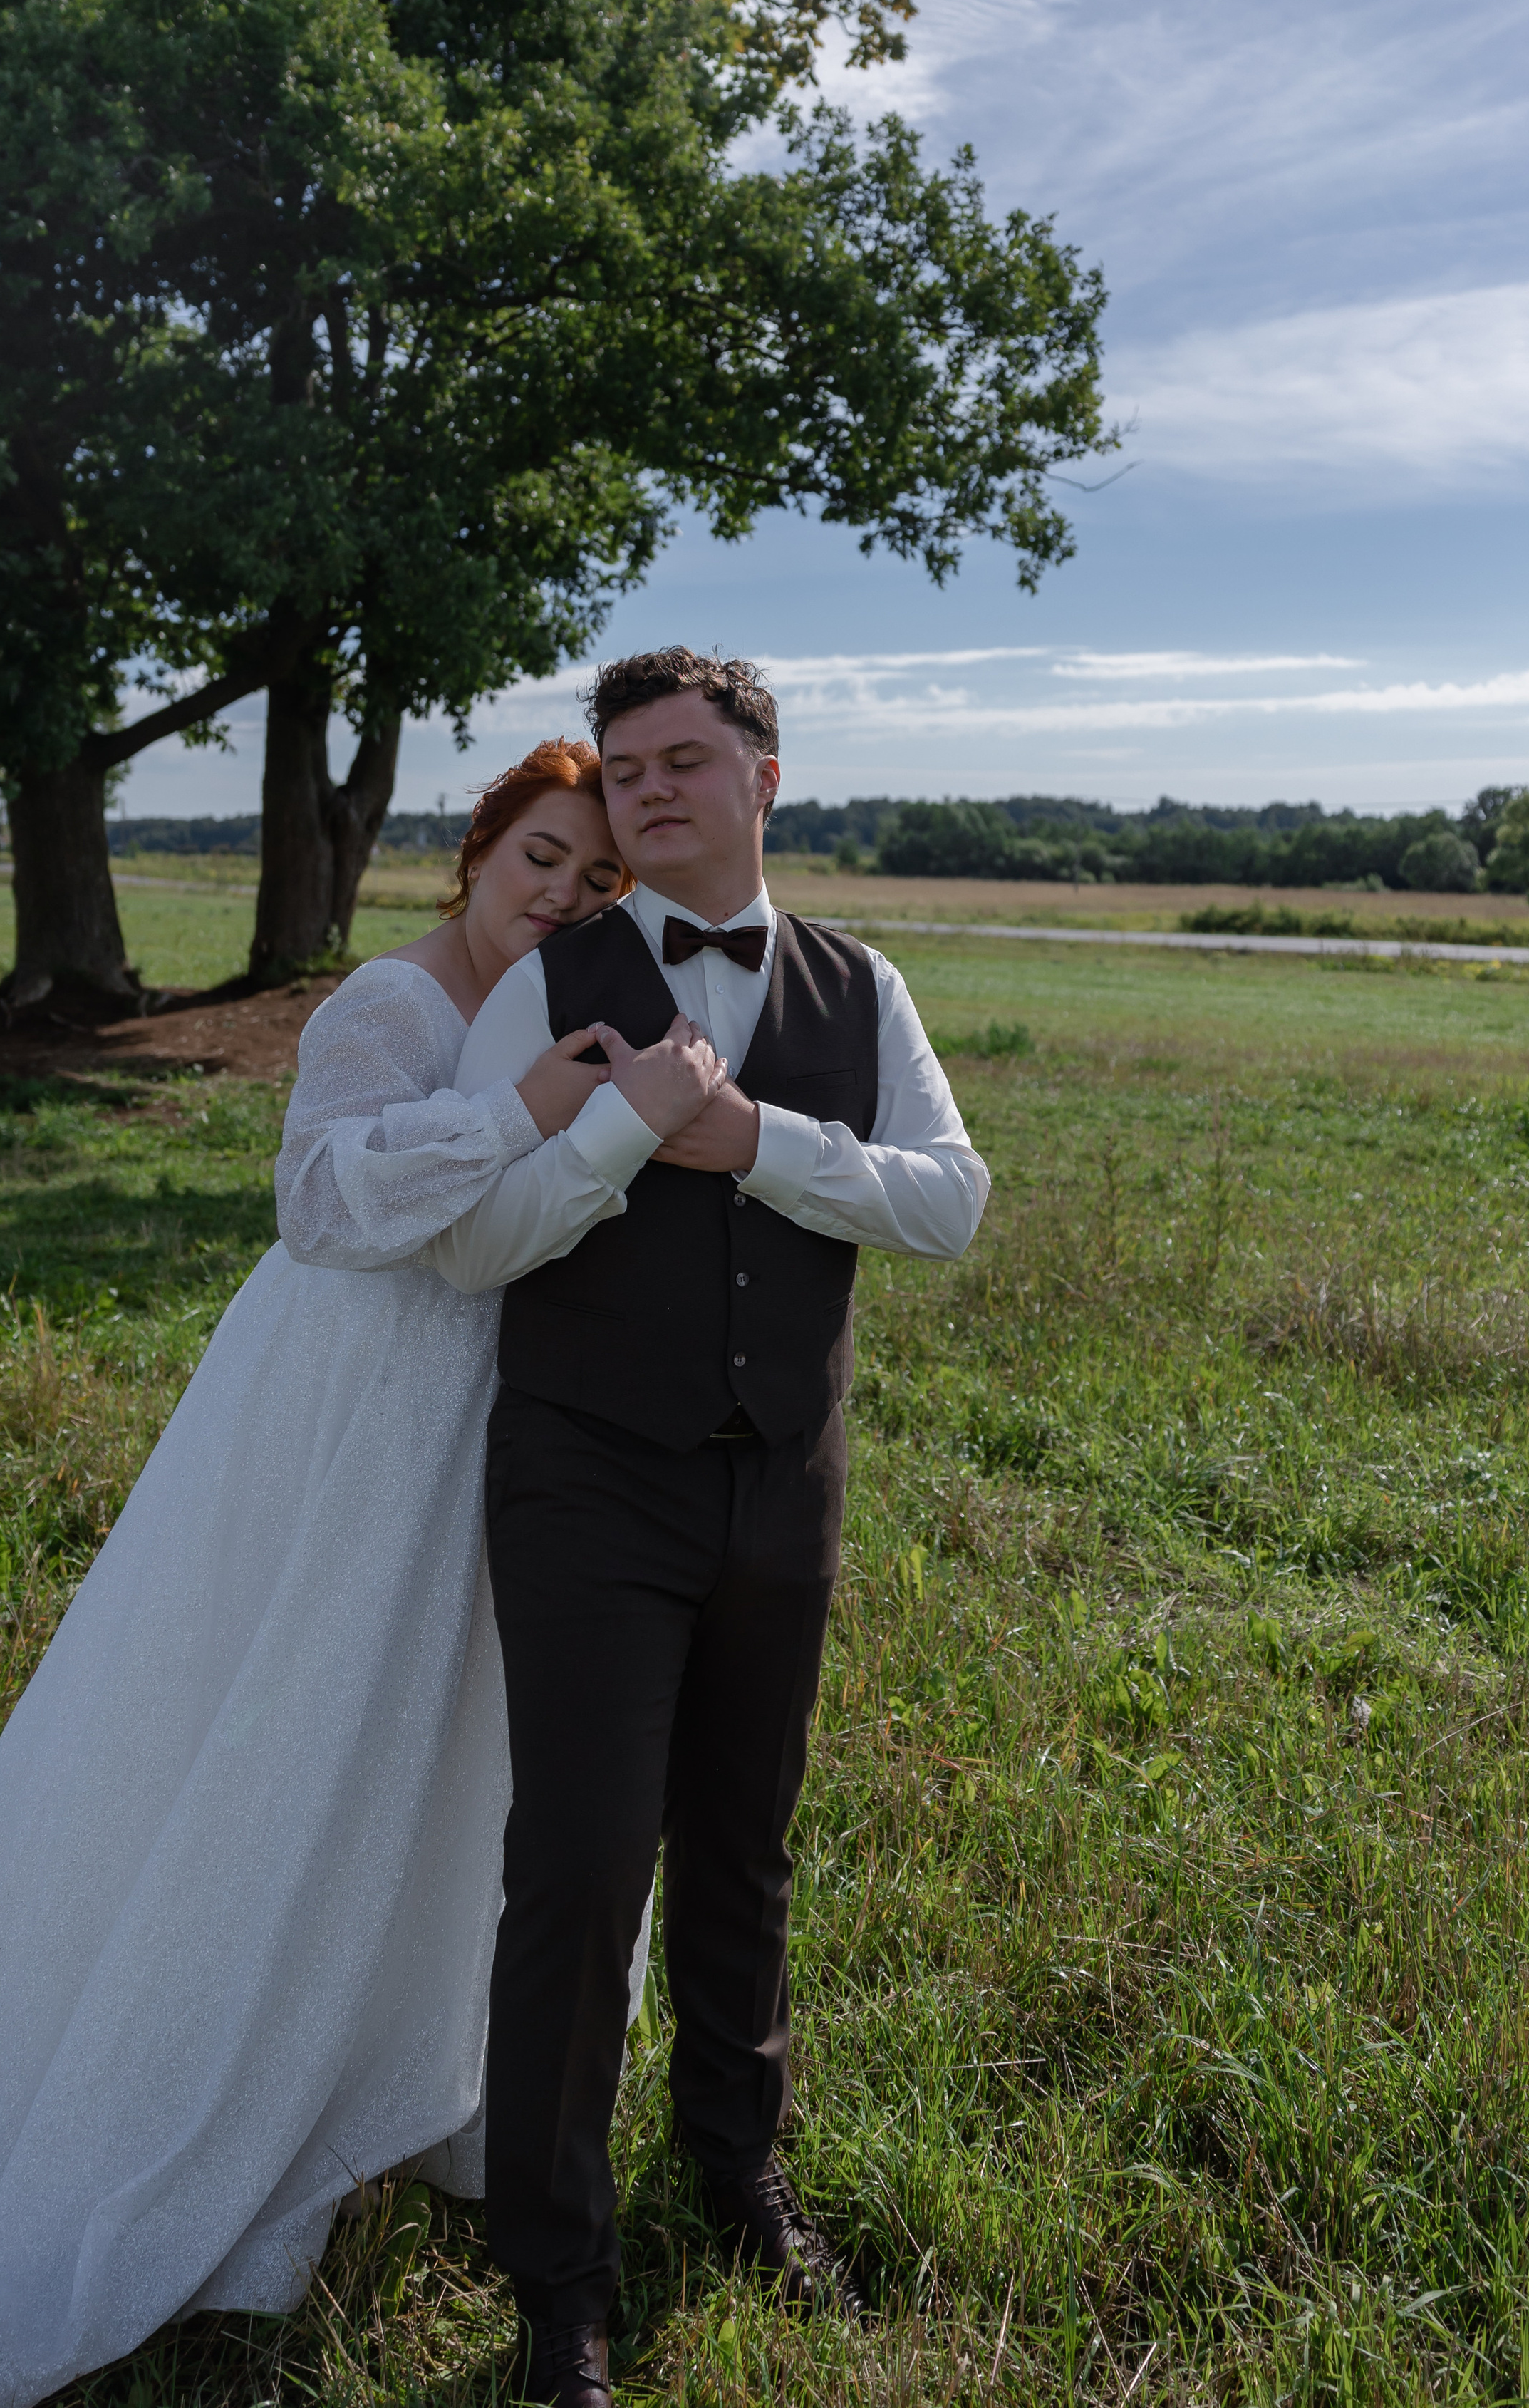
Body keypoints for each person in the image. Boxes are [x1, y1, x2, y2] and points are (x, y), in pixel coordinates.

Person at [0, 739, 710, 2408]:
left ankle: (397, 2069)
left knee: (445, 1752)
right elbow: (317, 1204)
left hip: (493, 1422)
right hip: (349, 1407)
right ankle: (168, 2081)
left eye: (596, 881)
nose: (563, 900)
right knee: (283, 1722)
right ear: (475, 850)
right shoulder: (387, 1000)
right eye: (538, 861)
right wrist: (525, 1108)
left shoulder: (586, 1001)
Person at [431, 650, 991, 2407]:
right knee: (581, 1869)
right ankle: (555, 2276)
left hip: (786, 1475)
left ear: (767, 776)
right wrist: (619, 1133)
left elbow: (949, 1201)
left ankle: (734, 2165)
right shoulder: (546, 981)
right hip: (587, 1473)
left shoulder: (860, 983)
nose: (646, 791)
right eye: (622, 769)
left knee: (744, 1845)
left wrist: (751, 1140)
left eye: (684, 760)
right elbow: (467, 1238)